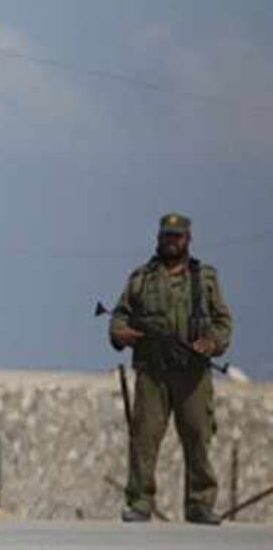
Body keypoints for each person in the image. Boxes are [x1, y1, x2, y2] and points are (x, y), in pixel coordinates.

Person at [108, 213, 234, 525]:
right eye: (167, 236)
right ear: (159, 238)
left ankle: (200, 504)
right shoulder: (141, 279)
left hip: (192, 374)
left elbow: (223, 322)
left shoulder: (204, 279)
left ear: (188, 239)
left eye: (177, 237)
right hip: (153, 373)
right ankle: (139, 502)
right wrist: (121, 334)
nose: (171, 242)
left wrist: (211, 343)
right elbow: (119, 316)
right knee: (144, 439)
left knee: (197, 437)